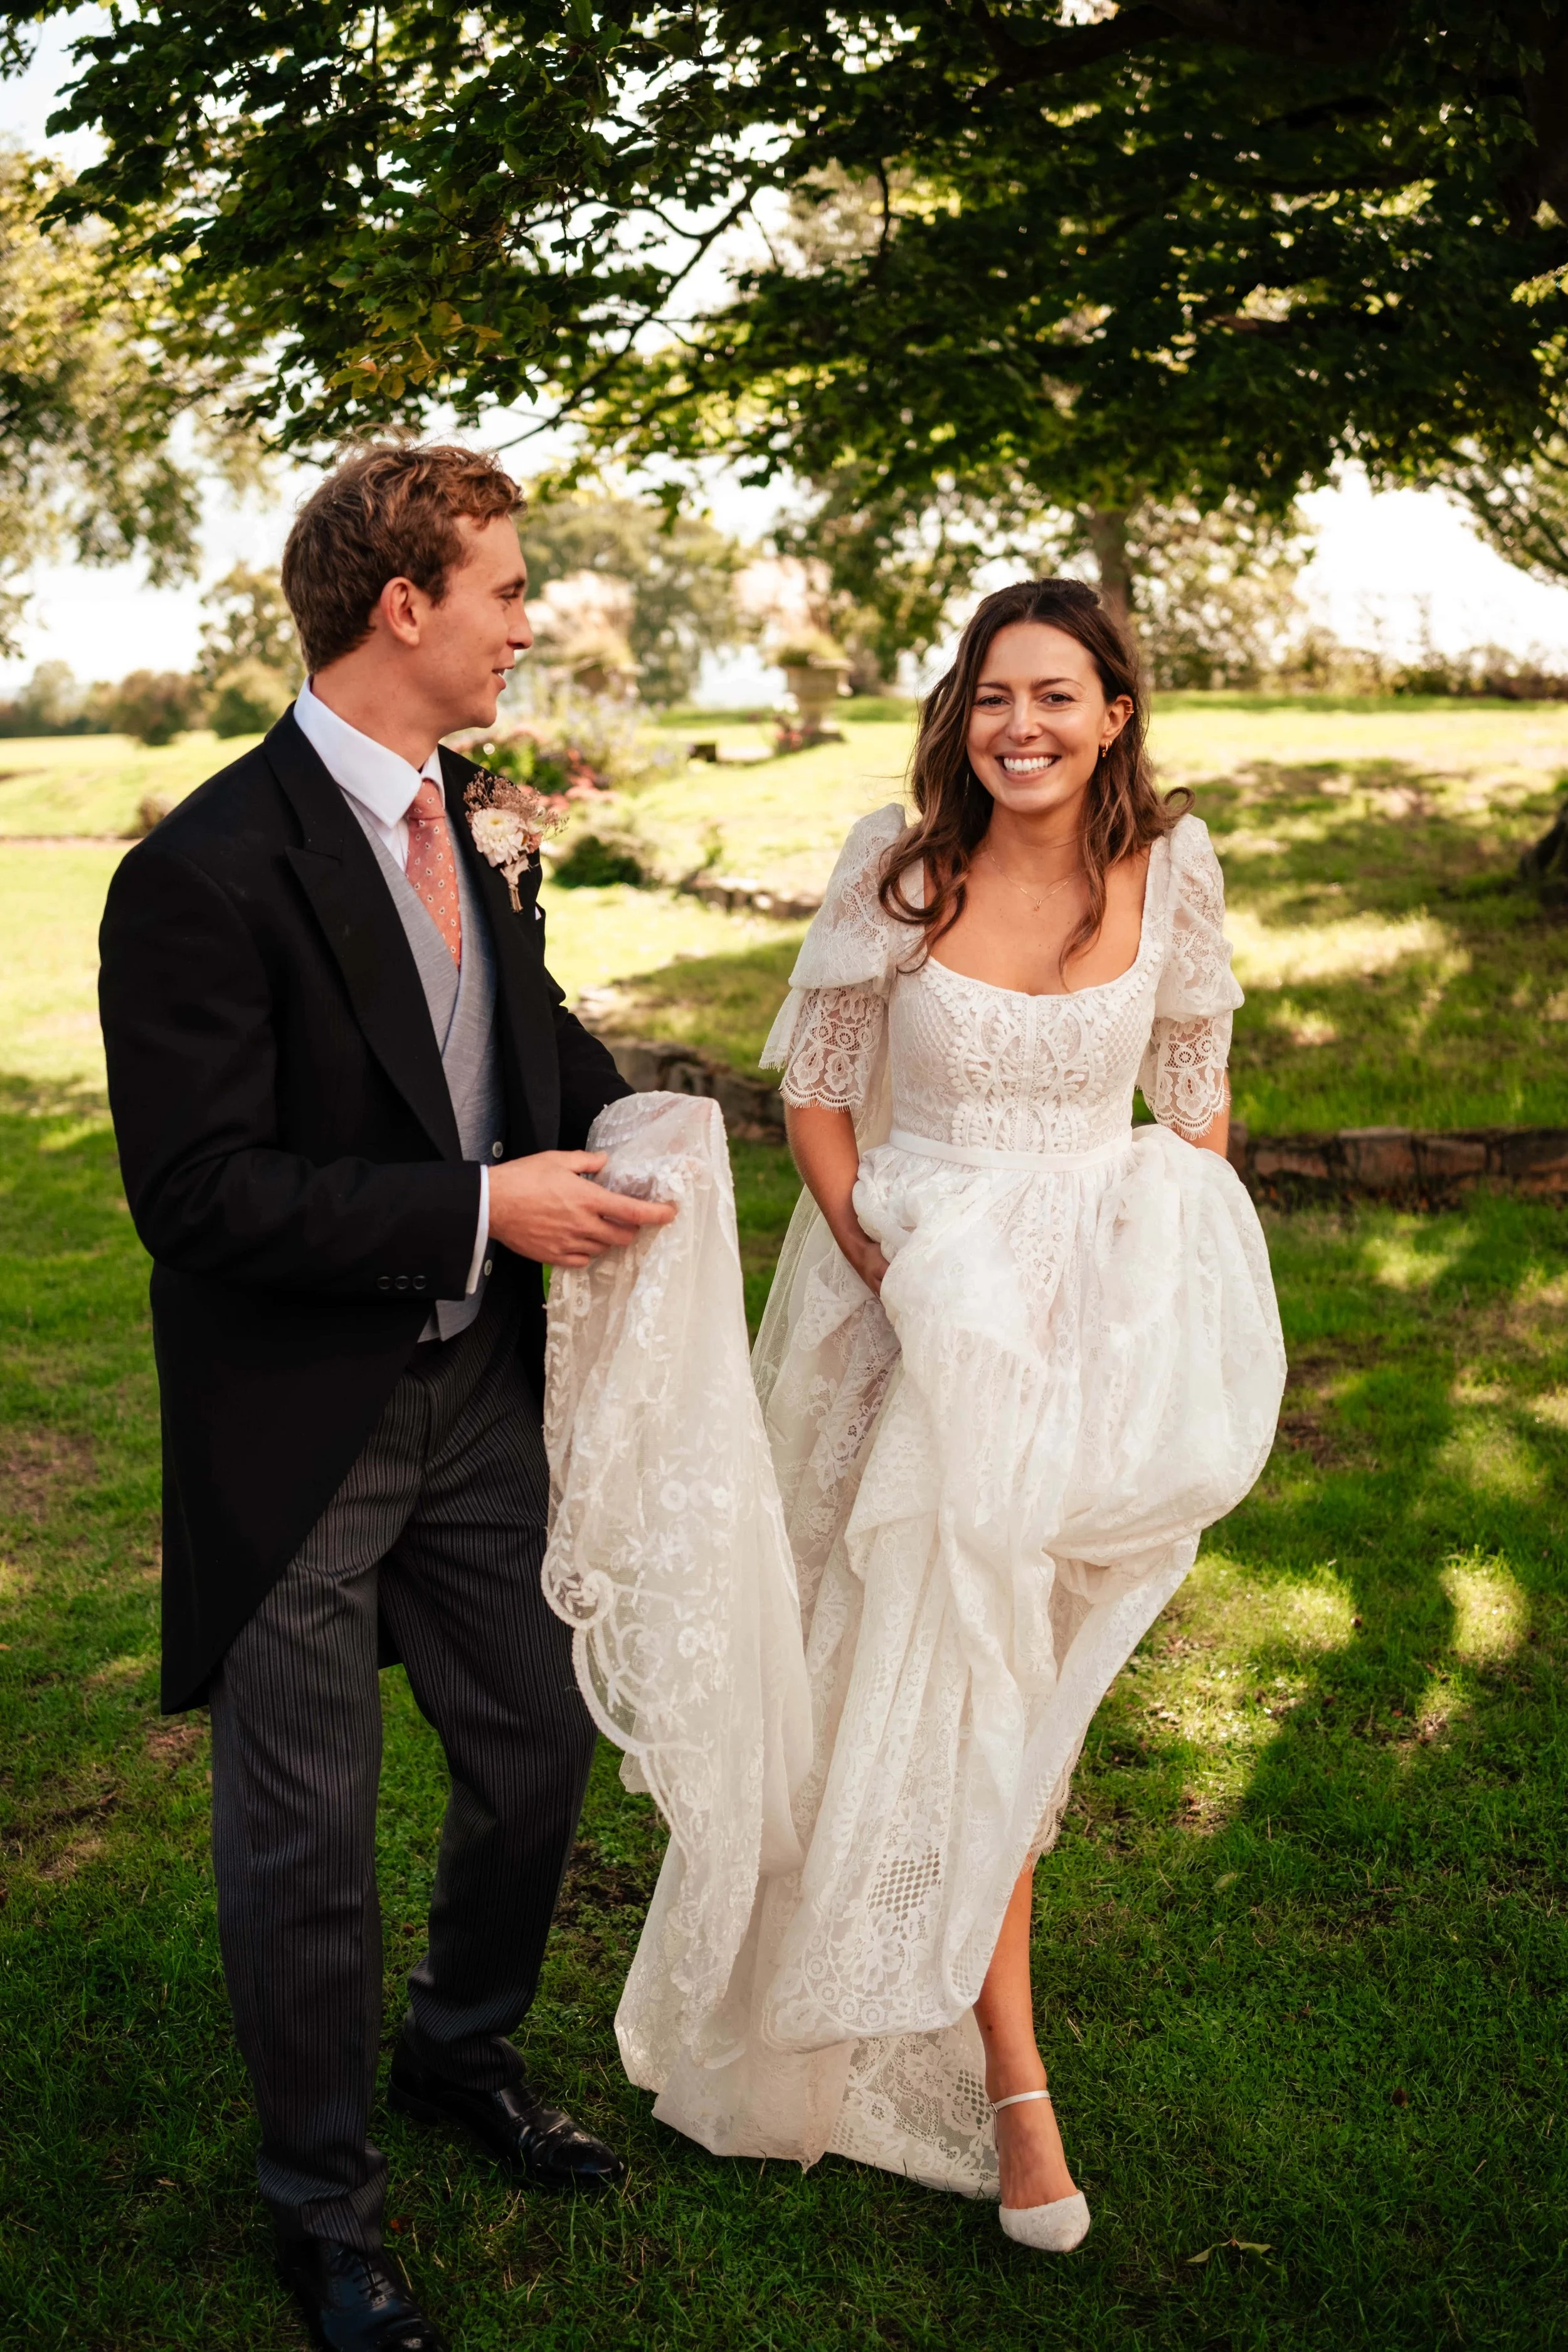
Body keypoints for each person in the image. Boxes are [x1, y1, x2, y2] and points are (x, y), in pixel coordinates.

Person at [620, 576, 1286, 2252]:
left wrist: (1125, 1298)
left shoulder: (1166, 875)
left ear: (1114, 712)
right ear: (959, 711)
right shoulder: (895, 869)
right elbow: (820, 1092)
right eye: (994, 694)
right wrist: (879, 1255)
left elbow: (1192, 1113)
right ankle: (1006, 2077)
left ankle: (944, 2017)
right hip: (903, 1305)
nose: (1021, 725)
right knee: (905, 1680)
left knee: (1012, 1699)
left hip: (1074, 1336)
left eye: (1056, 695)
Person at [98, 444, 673, 2352]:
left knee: (538, 1740)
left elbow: (524, 1048)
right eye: (507, 587)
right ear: (401, 604)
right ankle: (322, 2203)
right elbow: (194, 1194)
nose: (532, 618)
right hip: (300, 1429)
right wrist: (471, 1207)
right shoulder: (198, 869)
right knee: (302, 1829)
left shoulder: (474, 821)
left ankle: (458, 2047)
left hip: (479, 1406)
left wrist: (674, 1122)